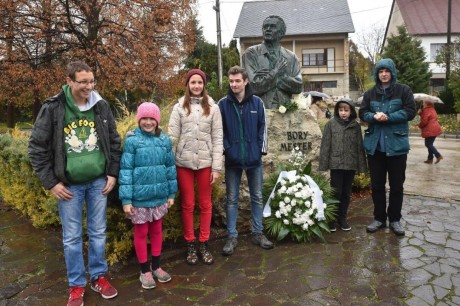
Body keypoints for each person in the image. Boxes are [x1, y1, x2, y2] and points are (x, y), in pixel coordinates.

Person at [28, 61, 121, 306]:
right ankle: (77, 285)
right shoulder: (53, 108)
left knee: (98, 233)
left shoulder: (101, 105)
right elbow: (36, 148)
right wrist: (50, 183)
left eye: (91, 81)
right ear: (69, 81)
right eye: (83, 82)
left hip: (98, 183)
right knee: (71, 237)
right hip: (68, 186)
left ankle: (99, 277)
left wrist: (112, 173)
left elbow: (113, 140)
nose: (89, 86)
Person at [168, 69, 223, 265]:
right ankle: (190, 243)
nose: (197, 86)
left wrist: (216, 167)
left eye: (200, 82)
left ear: (204, 85)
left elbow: (217, 138)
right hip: (183, 163)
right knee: (188, 204)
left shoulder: (213, 109)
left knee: (205, 204)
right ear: (188, 85)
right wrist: (169, 164)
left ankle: (204, 242)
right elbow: (173, 138)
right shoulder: (179, 108)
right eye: (193, 82)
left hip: (206, 163)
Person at [119, 102, 177, 289]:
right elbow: (126, 171)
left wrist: (171, 193)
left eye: (152, 118)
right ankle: (145, 270)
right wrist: (126, 199)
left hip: (159, 196)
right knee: (142, 232)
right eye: (144, 118)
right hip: (140, 199)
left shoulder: (164, 140)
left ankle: (157, 266)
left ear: (157, 120)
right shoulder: (132, 141)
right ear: (139, 119)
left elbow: (170, 168)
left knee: (157, 230)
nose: (148, 122)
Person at [218, 66, 273, 256]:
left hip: (253, 159)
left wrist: (259, 150)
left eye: (237, 81)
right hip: (233, 160)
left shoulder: (257, 103)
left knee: (257, 197)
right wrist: (228, 149)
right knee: (232, 199)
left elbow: (263, 128)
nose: (233, 84)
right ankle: (231, 236)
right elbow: (219, 131)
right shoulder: (223, 104)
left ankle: (258, 233)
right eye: (231, 81)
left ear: (245, 81)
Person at [359, 58, 416, 236]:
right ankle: (379, 219)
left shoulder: (403, 90)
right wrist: (373, 117)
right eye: (380, 71)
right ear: (377, 74)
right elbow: (362, 112)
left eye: (387, 71)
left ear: (392, 73)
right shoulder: (370, 94)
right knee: (377, 185)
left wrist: (388, 116)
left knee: (397, 186)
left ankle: (395, 220)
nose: (384, 74)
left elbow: (410, 111)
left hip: (397, 147)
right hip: (376, 148)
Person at [319, 98, 368, 231]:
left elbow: (359, 146)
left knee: (346, 193)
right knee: (336, 192)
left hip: (350, 164)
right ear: (337, 111)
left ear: (351, 111)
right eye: (341, 110)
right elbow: (325, 145)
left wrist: (362, 167)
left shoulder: (356, 126)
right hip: (336, 164)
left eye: (346, 110)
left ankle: (342, 218)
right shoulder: (331, 124)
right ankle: (332, 219)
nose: (343, 113)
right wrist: (323, 164)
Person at [242, 15, 303, 109]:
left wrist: (270, 78)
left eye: (272, 26)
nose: (268, 29)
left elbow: (298, 87)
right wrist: (276, 72)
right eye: (265, 27)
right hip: (259, 111)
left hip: (286, 111)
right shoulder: (251, 53)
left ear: (282, 32)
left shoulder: (291, 57)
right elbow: (253, 86)